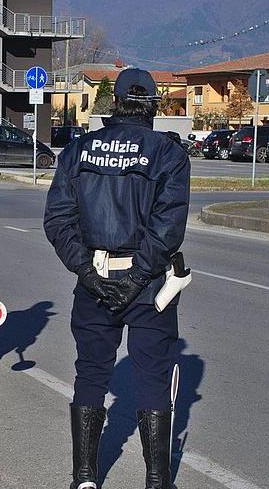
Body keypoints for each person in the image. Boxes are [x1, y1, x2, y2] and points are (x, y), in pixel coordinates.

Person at [44, 69, 190, 489]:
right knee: (152, 376)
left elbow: (58, 219)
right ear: (154, 104)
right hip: (148, 285)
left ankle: (85, 478)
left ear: (115, 102)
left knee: (91, 372)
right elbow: (168, 227)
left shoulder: (78, 151)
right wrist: (138, 276)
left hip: (95, 279)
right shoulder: (167, 153)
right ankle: (157, 480)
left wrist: (87, 271)